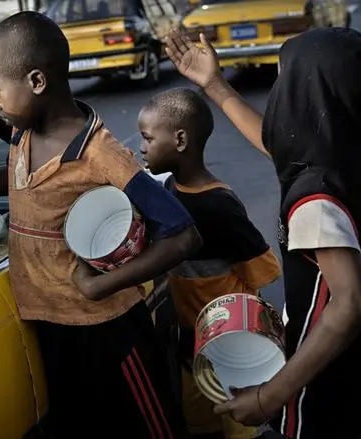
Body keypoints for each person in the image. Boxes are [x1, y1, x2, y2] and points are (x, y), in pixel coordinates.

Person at [0, 11, 202, 439]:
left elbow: (183, 233)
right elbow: (14, 178)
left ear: (36, 82)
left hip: (107, 329)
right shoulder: (20, 133)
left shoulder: (101, 154)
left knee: (143, 424)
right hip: (49, 321)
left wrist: (102, 285)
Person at [163, 27, 361, 439]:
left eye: (285, 81)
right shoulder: (355, 150)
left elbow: (350, 303)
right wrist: (214, 84)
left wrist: (269, 396)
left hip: (331, 379)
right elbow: (280, 145)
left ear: (305, 96)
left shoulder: (315, 197)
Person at [138, 88, 282, 439]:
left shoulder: (220, 205)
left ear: (180, 139)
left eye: (147, 138)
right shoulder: (167, 190)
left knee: (239, 426)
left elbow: (261, 271)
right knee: (200, 423)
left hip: (229, 344)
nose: (142, 147)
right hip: (188, 340)